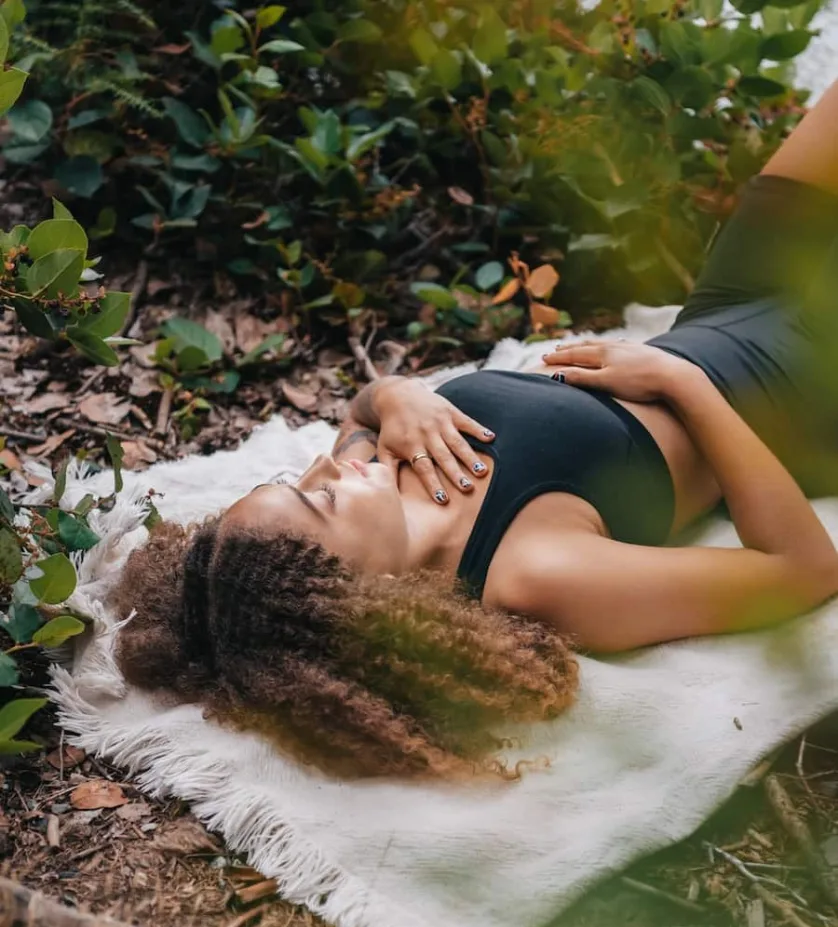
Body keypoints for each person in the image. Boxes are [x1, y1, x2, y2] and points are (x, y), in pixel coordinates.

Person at [116, 80, 838, 780]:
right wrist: (684, 384)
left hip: (724, 308)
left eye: (297, 478)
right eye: (320, 500)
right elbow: (801, 572)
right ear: (355, 596)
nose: (326, 467)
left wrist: (396, 394)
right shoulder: (533, 572)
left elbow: (362, 412)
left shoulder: (383, 475)